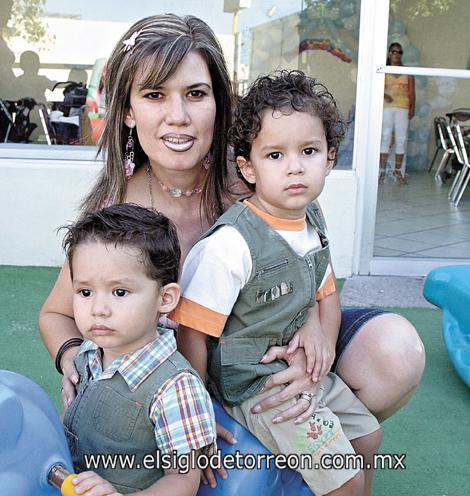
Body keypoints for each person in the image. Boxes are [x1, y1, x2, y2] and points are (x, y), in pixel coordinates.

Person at [39, 13, 424, 488]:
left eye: (196, 94)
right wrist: (77, 360)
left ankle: (307, 451)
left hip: (264, 350)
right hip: (185, 380)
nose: (177, 115)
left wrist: (314, 333)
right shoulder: (115, 216)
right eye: (155, 95)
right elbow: (56, 315)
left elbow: (309, 268)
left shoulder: (262, 174)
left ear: (221, 103)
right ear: (127, 111)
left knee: (396, 351)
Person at [173, 71, 381, 496]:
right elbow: (191, 335)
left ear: (330, 157)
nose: (294, 167)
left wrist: (322, 332)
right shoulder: (231, 246)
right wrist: (200, 414)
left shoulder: (311, 218)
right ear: (248, 168)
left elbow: (323, 288)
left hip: (297, 367)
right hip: (254, 384)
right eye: (274, 156)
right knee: (347, 482)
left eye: (308, 151)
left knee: (368, 438)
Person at [60, 203, 215, 496]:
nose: (98, 309)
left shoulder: (175, 388)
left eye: (120, 292)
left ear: (165, 299)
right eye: (85, 292)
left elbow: (182, 481)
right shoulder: (89, 354)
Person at [379, 42, 415, 185]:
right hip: (387, 108)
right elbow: (377, 88)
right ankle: (381, 172)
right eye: (394, 51)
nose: (396, 54)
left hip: (403, 107)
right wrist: (384, 95)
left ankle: (398, 171)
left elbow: (412, 92)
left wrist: (412, 108)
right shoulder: (384, 69)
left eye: (399, 52)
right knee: (385, 138)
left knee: (401, 139)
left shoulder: (407, 72)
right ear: (389, 53)